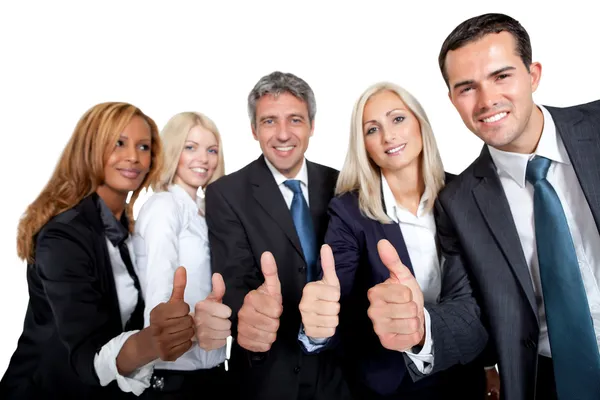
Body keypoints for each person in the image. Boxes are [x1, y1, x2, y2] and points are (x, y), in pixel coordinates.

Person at [436, 12, 600, 400]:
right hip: (552, 381)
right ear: (452, 99)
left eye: (501, 76)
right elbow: (469, 313)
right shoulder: (457, 203)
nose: (487, 100)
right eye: (466, 87)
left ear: (533, 75)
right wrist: (423, 330)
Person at [298, 82, 487, 399]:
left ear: (419, 123)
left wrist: (488, 365)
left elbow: (481, 292)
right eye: (372, 129)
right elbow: (334, 291)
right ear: (364, 146)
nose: (388, 136)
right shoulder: (349, 211)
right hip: (389, 384)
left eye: (397, 119)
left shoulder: (465, 194)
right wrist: (316, 325)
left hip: (461, 372)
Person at [0, 102, 195, 399]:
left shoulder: (126, 231)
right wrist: (149, 343)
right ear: (90, 148)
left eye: (143, 147)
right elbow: (85, 355)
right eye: (118, 143)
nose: (133, 157)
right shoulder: (62, 236)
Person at [204, 71, 352, 400]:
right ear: (254, 129)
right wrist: (252, 311)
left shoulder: (343, 185)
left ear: (312, 126)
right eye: (269, 121)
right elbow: (235, 279)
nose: (283, 134)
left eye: (295, 120)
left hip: (340, 372)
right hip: (268, 374)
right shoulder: (226, 193)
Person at [133, 112, 229, 399]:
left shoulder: (206, 210)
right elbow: (159, 289)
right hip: (173, 374)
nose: (204, 158)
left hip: (211, 368)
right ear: (173, 150)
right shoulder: (164, 207)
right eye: (191, 147)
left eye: (212, 150)